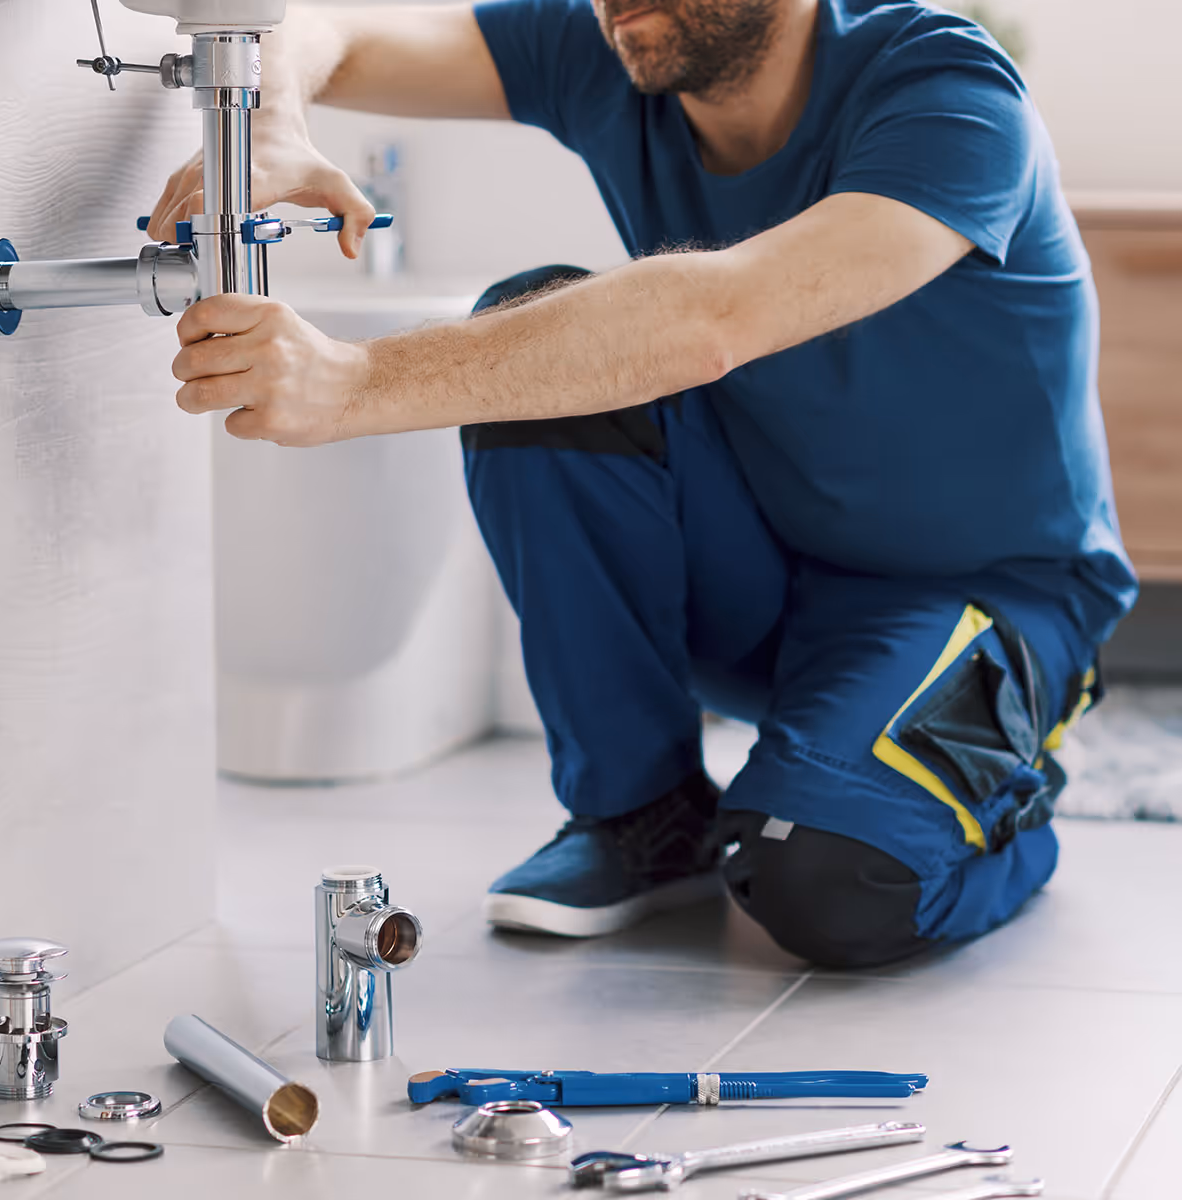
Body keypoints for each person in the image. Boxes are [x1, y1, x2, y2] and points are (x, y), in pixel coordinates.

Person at [150, 0, 1138, 968]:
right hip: (761, 567)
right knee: (538, 335)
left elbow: (719, 314)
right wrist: (270, 115)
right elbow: (338, 29)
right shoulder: (613, 41)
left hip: (981, 598)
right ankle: (642, 819)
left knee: (822, 878)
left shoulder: (944, 90)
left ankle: (1007, 795)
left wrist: (359, 382)